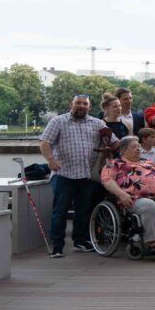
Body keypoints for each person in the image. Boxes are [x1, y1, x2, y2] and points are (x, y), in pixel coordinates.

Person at [39, 94, 105, 257]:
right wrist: (50, 160)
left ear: (89, 107)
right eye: (78, 103)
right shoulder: (58, 121)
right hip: (64, 174)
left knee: (83, 211)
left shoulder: (97, 123)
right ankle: (57, 246)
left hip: (87, 175)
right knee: (60, 211)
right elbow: (45, 142)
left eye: (85, 104)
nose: (81, 106)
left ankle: (80, 242)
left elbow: (114, 141)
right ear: (72, 104)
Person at [100, 135, 155, 251]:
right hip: (133, 199)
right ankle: (151, 242)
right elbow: (107, 181)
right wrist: (122, 194)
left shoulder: (148, 162)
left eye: (138, 146)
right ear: (123, 150)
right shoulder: (114, 164)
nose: (138, 149)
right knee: (149, 206)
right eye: (134, 147)